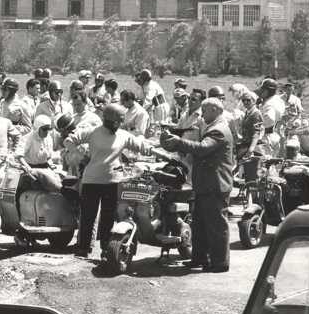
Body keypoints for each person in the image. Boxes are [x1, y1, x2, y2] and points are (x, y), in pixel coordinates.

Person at [62, 105, 152, 258]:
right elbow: (69, 139)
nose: (119, 125)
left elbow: (140, 146)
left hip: (112, 182)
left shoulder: (123, 135)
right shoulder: (93, 131)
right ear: (108, 121)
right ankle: (83, 248)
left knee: (108, 218)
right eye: (117, 122)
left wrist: (152, 148)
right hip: (91, 181)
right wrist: (76, 153)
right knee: (88, 217)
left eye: (121, 122)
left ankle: (106, 249)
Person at [160, 97, 235, 273]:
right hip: (207, 184)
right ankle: (199, 259)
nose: (202, 113)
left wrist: (179, 142)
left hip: (215, 185)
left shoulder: (218, 130)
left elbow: (202, 148)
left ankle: (219, 263)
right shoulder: (213, 128)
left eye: (205, 110)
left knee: (216, 225)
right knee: (199, 224)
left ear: (216, 111)